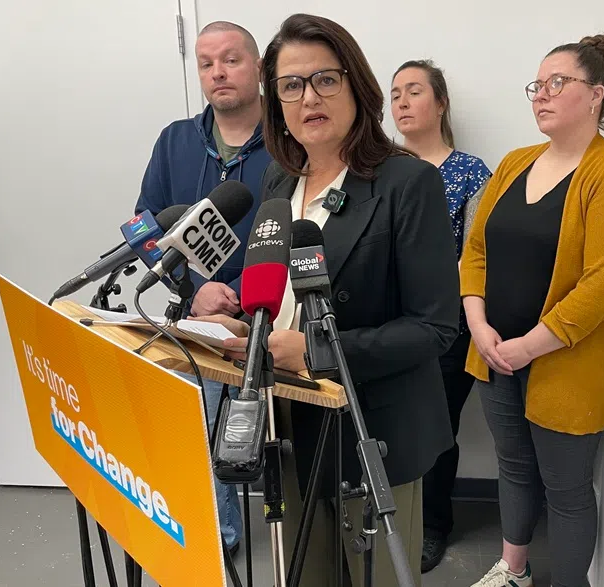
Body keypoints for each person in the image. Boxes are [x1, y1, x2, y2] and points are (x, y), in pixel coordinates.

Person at [195, 13, 459, 586]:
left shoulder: (405, 184)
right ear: (277, 101)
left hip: (370, 429)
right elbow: (280, 290)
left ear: (356, 87)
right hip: (283, 420)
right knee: (305, 575)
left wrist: (315, 354)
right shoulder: (278, 184)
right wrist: (240, 312)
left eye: (325, 79)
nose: (308, 97)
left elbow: (435, 327)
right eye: (291, 85)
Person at [459, 36, 604, 587]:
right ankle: (513, 569)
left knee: (567, 490)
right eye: (536, 86)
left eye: (556, 84)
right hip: (493, 354)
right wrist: (479, 327)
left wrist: (528, 346)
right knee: (514, 468)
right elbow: (476, 250)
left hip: (565, 365)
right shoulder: (516, 164)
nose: (540, 96)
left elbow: (602, 288)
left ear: (596, 94)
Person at [134, 20, 272, 554]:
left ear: (258, 67)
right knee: (200, 430)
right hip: (195, 316)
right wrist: (195, 290)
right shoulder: (175, 140)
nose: (218, 72)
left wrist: (233, 292)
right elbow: (144, 229)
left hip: (271, 315)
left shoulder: (290, 139)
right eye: (207, 62)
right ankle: (221, 540)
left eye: (231, 60)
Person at [390, 59, 491, 573]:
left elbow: (476, 252)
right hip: (384, 321)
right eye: (395, 94)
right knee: (387, 418)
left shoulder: (470, 173)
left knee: (436, 423)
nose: (402, 102)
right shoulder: (380, 167)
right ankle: (383, 518)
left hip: (446, 325)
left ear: (441, 103)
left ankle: (431, 525)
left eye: (414, 91)